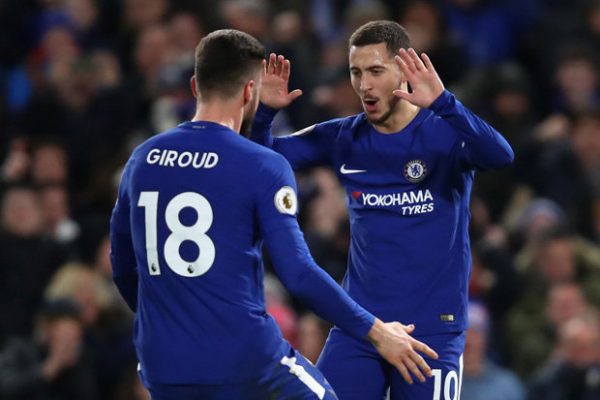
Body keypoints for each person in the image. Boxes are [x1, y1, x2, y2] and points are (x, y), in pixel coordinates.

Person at [109, 29, 438, 400]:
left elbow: (122, 266)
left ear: (195, 86)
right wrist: (376, 331)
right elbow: (297, 273)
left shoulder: (143, 159)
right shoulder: (261, 164)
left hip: (162, 364)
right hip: (245, 362)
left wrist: (172, 324)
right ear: (250, 91)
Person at [252, 20, 514, 399]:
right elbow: (263, 159)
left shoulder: (444, 130)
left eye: (375, 71)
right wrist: (263, 114)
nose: (364, 85)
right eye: (356, 72)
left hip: (432, 329)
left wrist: (444, 102)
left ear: (404, 71)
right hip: (363, 328)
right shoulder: (343, 136)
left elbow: (501, 156)